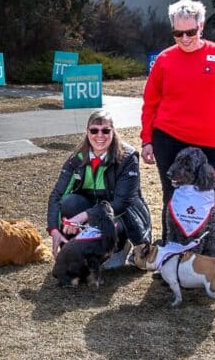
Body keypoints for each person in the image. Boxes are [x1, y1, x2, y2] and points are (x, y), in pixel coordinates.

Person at [141, 0, 215, 276]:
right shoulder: (164, 60)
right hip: (170, 139)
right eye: (179, 33)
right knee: (171, 199)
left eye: (191, 31)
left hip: (213, 143)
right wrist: (147, 139)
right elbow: (150, 102)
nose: (185, 38)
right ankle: (169, 263)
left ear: (202, 26)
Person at [46, 109, 152, 266]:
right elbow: (57, 195)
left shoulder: (128, 157)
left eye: (105, 130)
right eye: (94, 130)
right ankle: (77, 250)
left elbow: (121, 203)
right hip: (92, 213)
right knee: (69, 202)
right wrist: (54, 229)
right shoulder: (77, 159)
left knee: (110, 262)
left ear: (113, 132)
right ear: (87, 132)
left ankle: (120, 247)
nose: (100, 135)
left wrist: (84, 216)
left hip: (120, 215)